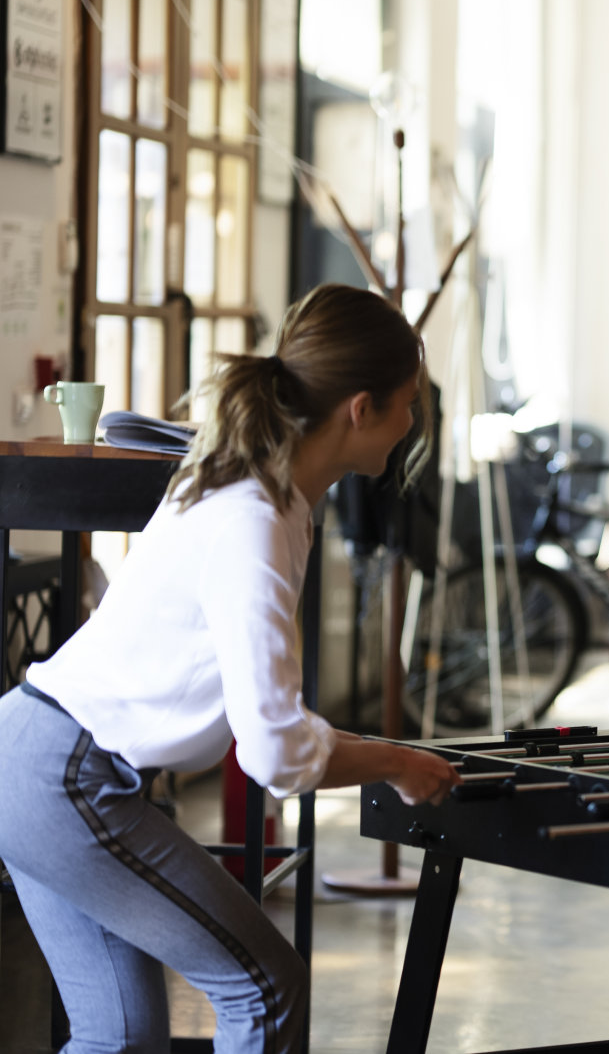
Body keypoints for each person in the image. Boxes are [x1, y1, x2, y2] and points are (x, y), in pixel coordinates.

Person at [0, 283, 462, 1054]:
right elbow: (276, 751)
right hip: (65, 779)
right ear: (359, 408)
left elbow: (273, 723)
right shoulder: (256, 518)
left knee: (120, 1032)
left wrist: (393, 759)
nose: (412, 422)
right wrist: (395, 760)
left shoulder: (258, 493)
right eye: (407, 403)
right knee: (263, 986)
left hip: (36, 757)